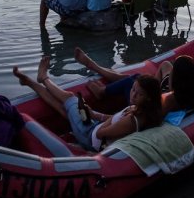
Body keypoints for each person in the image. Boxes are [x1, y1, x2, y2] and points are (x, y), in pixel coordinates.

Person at [12, 56, 162, 152]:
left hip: (89, 136)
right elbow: (115, 120)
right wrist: (94, 114)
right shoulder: (139, 109)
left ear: (148, 98)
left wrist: (96, 121)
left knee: (69, 98)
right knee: (66, 111)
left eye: (139, 93)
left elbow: (101, 133)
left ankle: (43, 78)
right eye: (133, 89)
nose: (133, 94)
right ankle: (30, 82)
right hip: (93, 130)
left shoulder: (132, 119)